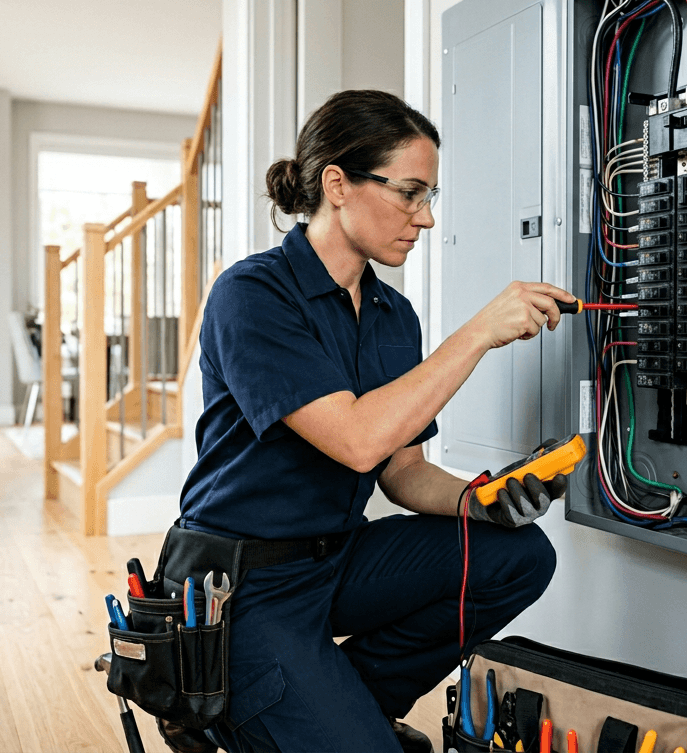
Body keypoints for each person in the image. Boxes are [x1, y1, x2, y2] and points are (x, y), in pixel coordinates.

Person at [161, 89, 576, 753]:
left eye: (429, 198)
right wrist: (478, 333)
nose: (426, 219)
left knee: (518, 556)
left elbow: (402, 471)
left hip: (337, 562)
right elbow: (356, 442)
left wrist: (483, 501)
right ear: (338, 185)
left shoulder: (392, 316)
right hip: (244, 588)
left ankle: (335, 700)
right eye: (410, 194)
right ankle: (262, 715)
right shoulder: (252, 296)